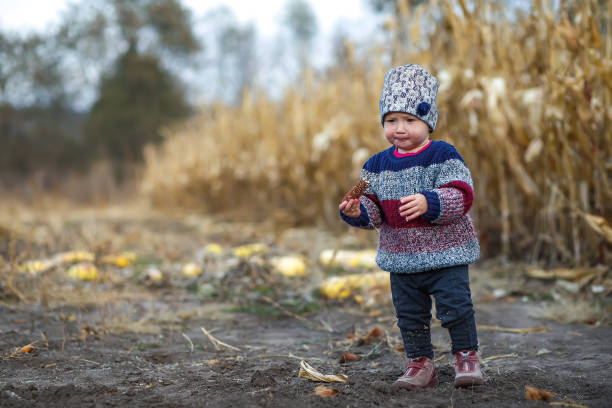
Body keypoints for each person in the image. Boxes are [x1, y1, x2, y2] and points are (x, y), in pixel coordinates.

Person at [339, 64, 483, 389]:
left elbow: (461, 194)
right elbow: (371, 206)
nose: (399, 128)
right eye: (391, 121)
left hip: (446, 255)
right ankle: (420, 364)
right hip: (401, 259)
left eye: (409, 120)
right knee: (409, 317)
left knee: (456, 308)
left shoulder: (443, 155)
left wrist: (430, 202)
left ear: (427, 121)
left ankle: (466, 356)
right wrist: (355, 208)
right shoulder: (374, 166)